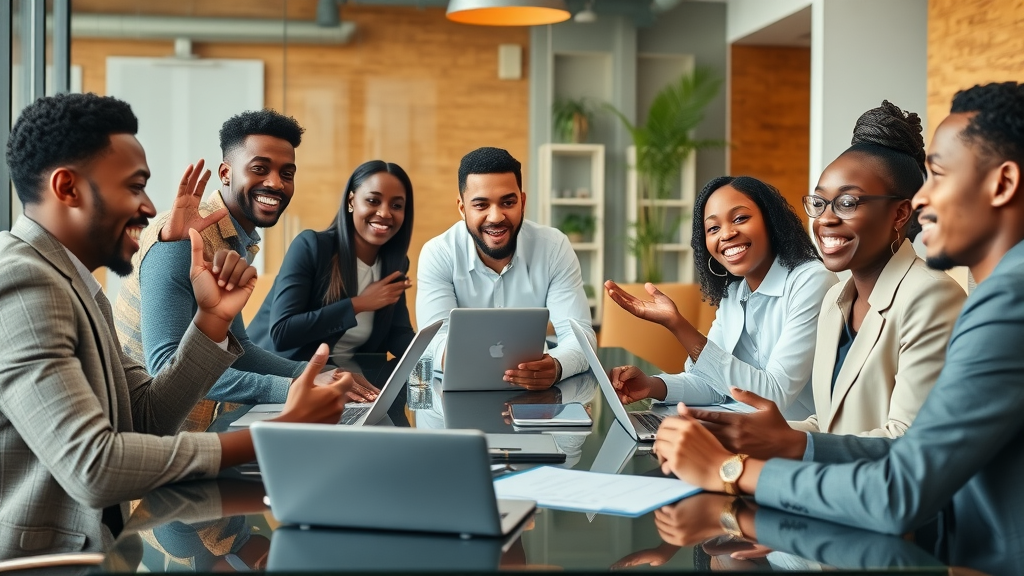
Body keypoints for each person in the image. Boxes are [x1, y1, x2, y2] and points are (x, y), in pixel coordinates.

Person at [654, 82, 1024, 576]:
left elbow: (901, 487)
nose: (923, 199)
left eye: (936, 175)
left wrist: (732, 470)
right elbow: (900, 451)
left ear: (1002, 184)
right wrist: (790, 442)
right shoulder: (841, 297)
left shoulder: (1003, 301)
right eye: (820, 204)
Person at [0, 93, 352, 556]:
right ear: (68, 189)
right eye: (134, 187)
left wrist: (210, 324)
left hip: (105, 543)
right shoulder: (22, 282)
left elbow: (147, 417)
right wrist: (276, 432)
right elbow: (95, 467)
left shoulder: (78, 288)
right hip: (49, 562)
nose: (150, 209)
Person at [687, 102, 966, 460]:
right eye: (819, 203)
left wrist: (783, 446)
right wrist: (734, 434)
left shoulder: (931, 297)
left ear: (899, 214)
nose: (826, 219)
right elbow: (831, 424)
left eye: (847, 202)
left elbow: (907, 444)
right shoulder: (836, 302)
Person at [114, 110, 375, 432]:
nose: (276, 183)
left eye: (287, 173)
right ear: (226, 173)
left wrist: (316, 373)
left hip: (194, 432)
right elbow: (165, 365)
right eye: (259, 169)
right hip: (150, 441)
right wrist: (295, 389)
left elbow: (239, 348)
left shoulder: (231, 239)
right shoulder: (182, 236)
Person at [604, 176, 837, 420]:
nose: (726, 234)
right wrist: (653, 386)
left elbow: (772, 396)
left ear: (771, 221)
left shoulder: (812, 281)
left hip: (800, 443)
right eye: (713, 228)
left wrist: (677, 324)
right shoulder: (735, 293)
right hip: (745, 434)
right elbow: (712, 384)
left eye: (740, 218)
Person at [416, 147, 596, 389]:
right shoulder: (438, 253)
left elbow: (581, 337)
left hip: (534, 396)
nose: (496, 217)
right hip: (456, 396)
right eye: (481, 205)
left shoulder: (554, 247)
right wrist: (473, 364)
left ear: (522, 202)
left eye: (507, 202)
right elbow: (431, 345)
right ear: (462, 208)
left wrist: (557, 366)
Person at [248, 160, 415, 362]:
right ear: (351, 201)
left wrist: (438, 354)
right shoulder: (312, 247)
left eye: (397, 205)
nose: (385, 213)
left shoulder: (395, 263)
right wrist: (359, 304)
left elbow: (398, 335)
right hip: (281, 374)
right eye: (373, 201)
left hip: (347, 376)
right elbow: (283, 333)